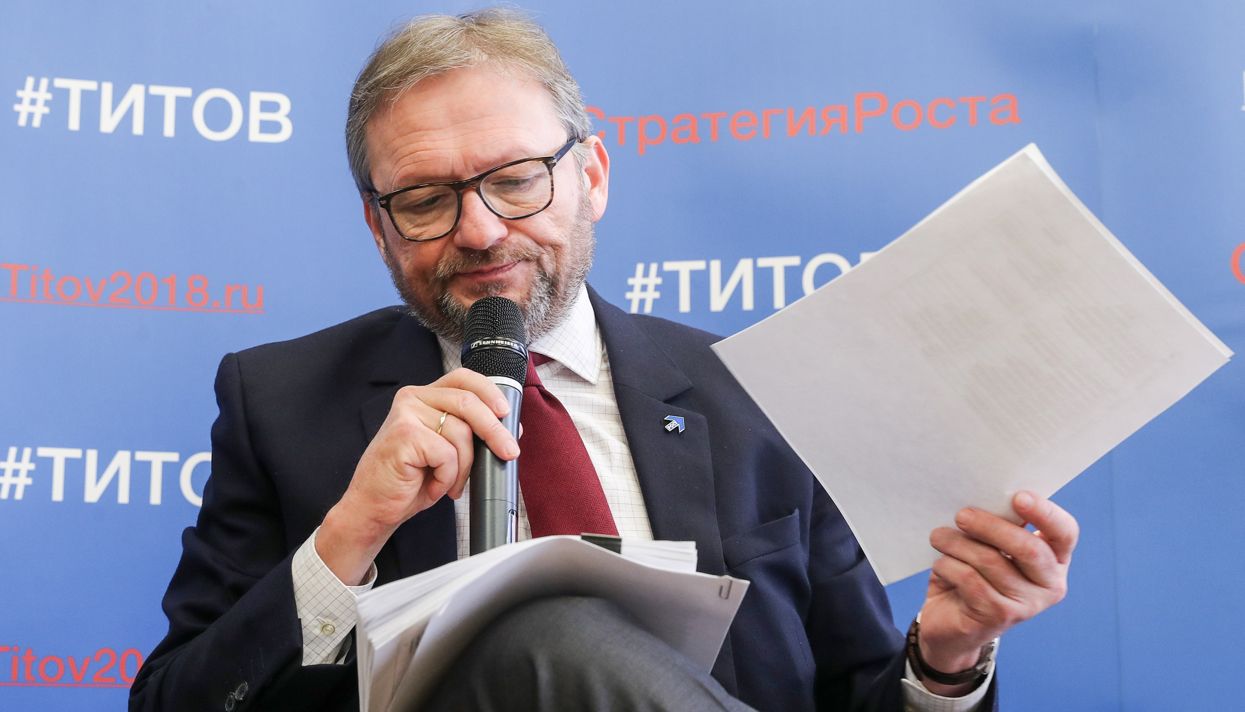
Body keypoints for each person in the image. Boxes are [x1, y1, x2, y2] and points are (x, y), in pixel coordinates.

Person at [130, 9, 1078, 712]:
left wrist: (945, 660)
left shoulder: (757, 394)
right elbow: (180, 700)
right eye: (424, 200)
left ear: (591, 178)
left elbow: (852, 691)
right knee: (543, 627)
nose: (479, 229)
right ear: (378, 230)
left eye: (515, 180)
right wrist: (348, 537)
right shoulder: (280, 404)